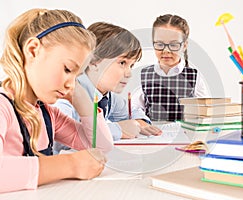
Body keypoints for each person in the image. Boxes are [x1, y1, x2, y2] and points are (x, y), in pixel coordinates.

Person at [0, 8, 114, 193]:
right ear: (33, 50)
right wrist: (70, 164)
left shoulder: (47, 115)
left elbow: (101, 148)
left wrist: (82, 101)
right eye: (68, 69)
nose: (71, 84)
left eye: (77, 76)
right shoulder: (3, 107)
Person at [52, 22, 162, 154]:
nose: (129, 73)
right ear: (93, 62)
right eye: (122, 63)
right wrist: (118, 129)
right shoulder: (67, 94)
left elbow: (134, 112)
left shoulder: (107, 97)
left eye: (131, 66)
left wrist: (140, 123)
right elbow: (60, 139)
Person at [132, 14, 210, 121]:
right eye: (160, 44)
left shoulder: (195, 77)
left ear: (184, 45)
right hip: (153, 135)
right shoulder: (145, 74)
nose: (166, 51)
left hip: (185, 135)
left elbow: (204, 113)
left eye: (173, 45)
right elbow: (136, 111)